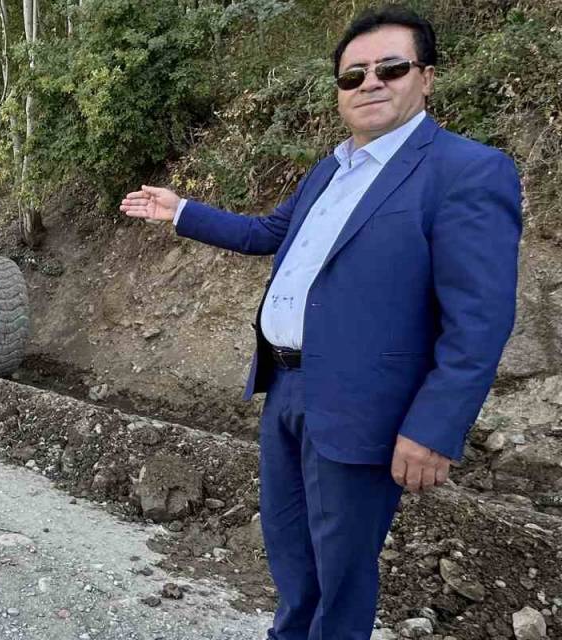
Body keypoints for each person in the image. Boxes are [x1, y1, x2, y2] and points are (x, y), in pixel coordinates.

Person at [119, 6, 521, 639]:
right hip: (286, 388)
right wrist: (182, 211)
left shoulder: (466, 171)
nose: (370, 83)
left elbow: (481, 320)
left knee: (342, 567)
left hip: (367, 405)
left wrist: (435, 428)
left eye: (390, 68)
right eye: (352, 75)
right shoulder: (331, 169)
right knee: (289, 549)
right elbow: (269, 233)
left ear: (427, 78)